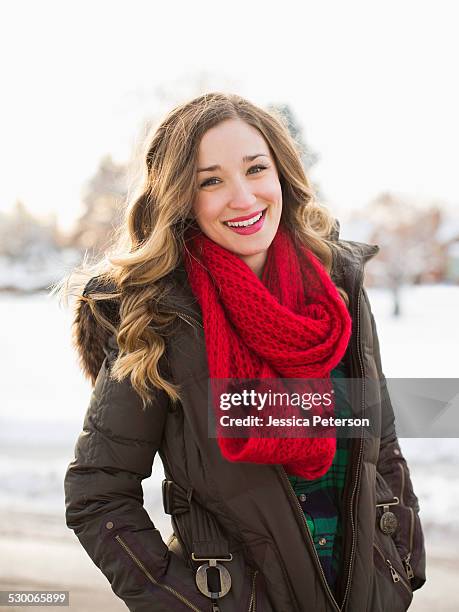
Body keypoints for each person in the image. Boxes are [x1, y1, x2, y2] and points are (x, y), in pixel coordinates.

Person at [63, 92, 426, 612]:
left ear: (281, 174)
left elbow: (380, 439)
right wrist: (187, 603)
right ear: (181, 198)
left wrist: (400, 561)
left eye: (256, 169)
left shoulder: (337, 288)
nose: (243, 197)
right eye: (211, 180)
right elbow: (97, 493)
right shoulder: (161, 316)